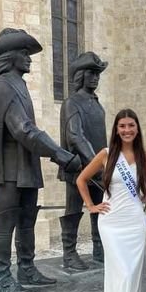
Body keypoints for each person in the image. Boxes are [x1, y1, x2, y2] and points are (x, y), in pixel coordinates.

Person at [0, 28, 81, 292]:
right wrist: (59, 153)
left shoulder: (19, 85)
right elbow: (23, 130)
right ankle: (1, 279)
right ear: (11, 56)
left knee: (27, 221)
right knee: (4, 225)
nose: (29, 58)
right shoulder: (4, 87)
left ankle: (26, 269)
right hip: (8, 171)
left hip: (25, 169)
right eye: (24, 54)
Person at [77, 109, 146, 292]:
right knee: (119, 274)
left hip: (134, 224)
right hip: (111, 224)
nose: (127, 130)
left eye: (131, 125)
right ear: (116, 129)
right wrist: (91, 205)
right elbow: (81, 179)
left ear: (137, 128)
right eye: (122, 126)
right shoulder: (106, 154)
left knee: (132, 276)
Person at [59, 51, 108, 271]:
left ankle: (99, 248)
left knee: (99, 209)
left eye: (97, 73)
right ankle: (69, 253)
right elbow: (75, 136)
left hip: (99, 170)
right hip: (78, 168)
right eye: (91, 73)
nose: (95, 77)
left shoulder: (97, 103)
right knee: (73, 209)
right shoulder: (72, 102)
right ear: (80, 75)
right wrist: (95, 164)